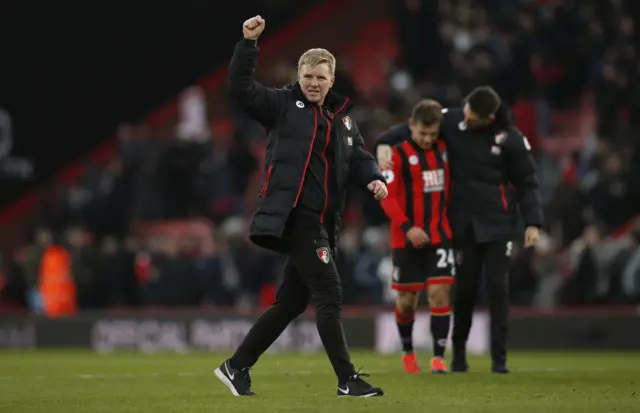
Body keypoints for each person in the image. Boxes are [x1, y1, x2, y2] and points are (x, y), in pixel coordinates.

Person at [214, 15, 387, 397]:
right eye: (307, 75)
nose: (312, 82)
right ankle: (346, 380)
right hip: (296, 217)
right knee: (330, 293)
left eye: (319, 77)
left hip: (324, 221)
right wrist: (248, 44)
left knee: (291, 302)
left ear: (331, 80)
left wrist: (374, 176)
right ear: (300, 75)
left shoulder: (341, 121)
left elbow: (358, 157)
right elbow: (239, 89)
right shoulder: (280, 104)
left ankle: (236, 366)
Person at [376, 86, 543, 373]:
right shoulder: (448, 123)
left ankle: (488, 359)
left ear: (487, 117)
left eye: (471, 114)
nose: (464, 115)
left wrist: (533, 221)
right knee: (453, 293)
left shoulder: (509, 138)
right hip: (456, 225)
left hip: (490, 224)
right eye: (464, 108)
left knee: (493, 288)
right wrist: (382, 143)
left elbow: (527, 180)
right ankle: (450, 356)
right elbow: (413, 127)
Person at [378, 99, 455, 375]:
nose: (427, 139)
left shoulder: (445, 150)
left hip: (440, 235)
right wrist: (408, 227)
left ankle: (438, 358)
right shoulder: (395, 156)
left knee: (438, 293)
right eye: (422, 133)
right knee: (407, 302)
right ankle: (408, 352)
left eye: (432, 134)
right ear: (411, 127)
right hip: (405, 239)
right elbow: (386, 197)